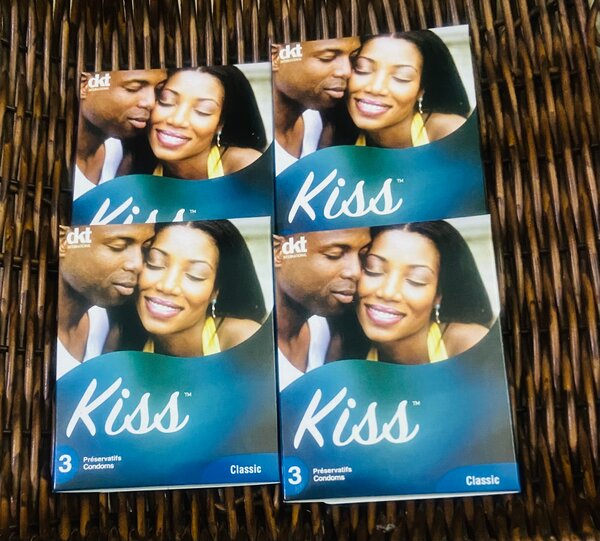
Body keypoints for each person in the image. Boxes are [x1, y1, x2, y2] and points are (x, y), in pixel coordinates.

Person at [357, 221, 493, 364]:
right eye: (373, 269)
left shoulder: (472, 345)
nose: (388, 292)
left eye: (416, 279)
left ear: (438, 295)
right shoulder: (345, 349)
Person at [136, 220, 266, 357]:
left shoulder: (247, 341)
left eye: (195, 275)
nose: (168, 286)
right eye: (155, 263)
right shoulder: (123, 339)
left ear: (216, 289)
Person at [274, 229, 370, 390]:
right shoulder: (250, 353)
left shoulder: (328, 330)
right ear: (279, 251)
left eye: (363, 255)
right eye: (334, 254)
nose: (355, 272)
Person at [57, 224, 155, 378]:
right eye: (118, 246)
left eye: (145, 249)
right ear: (65, 241)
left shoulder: (105, 322)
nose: (138, 265)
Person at [347, 31, 471, 148]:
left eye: (402, 77)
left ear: (422, 89)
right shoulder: (340, 134)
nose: (376, 88)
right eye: (362, 68)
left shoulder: (452, 134)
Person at [148, 66, 267, 180]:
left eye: (203, 110)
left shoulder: (247, 167)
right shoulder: (140, 165)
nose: (177, 120)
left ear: (220, 123)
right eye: (166, 100)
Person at [272, 37, 359, 174]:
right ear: (275, 57)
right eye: (327, 58)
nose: (347, 71)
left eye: (353, 58)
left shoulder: (317, 122)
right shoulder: (255, 151)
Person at [75, 69, 166, 198]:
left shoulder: (119, 151)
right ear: (85, 86)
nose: (151, 103)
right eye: (133, 88)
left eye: (159, 91)